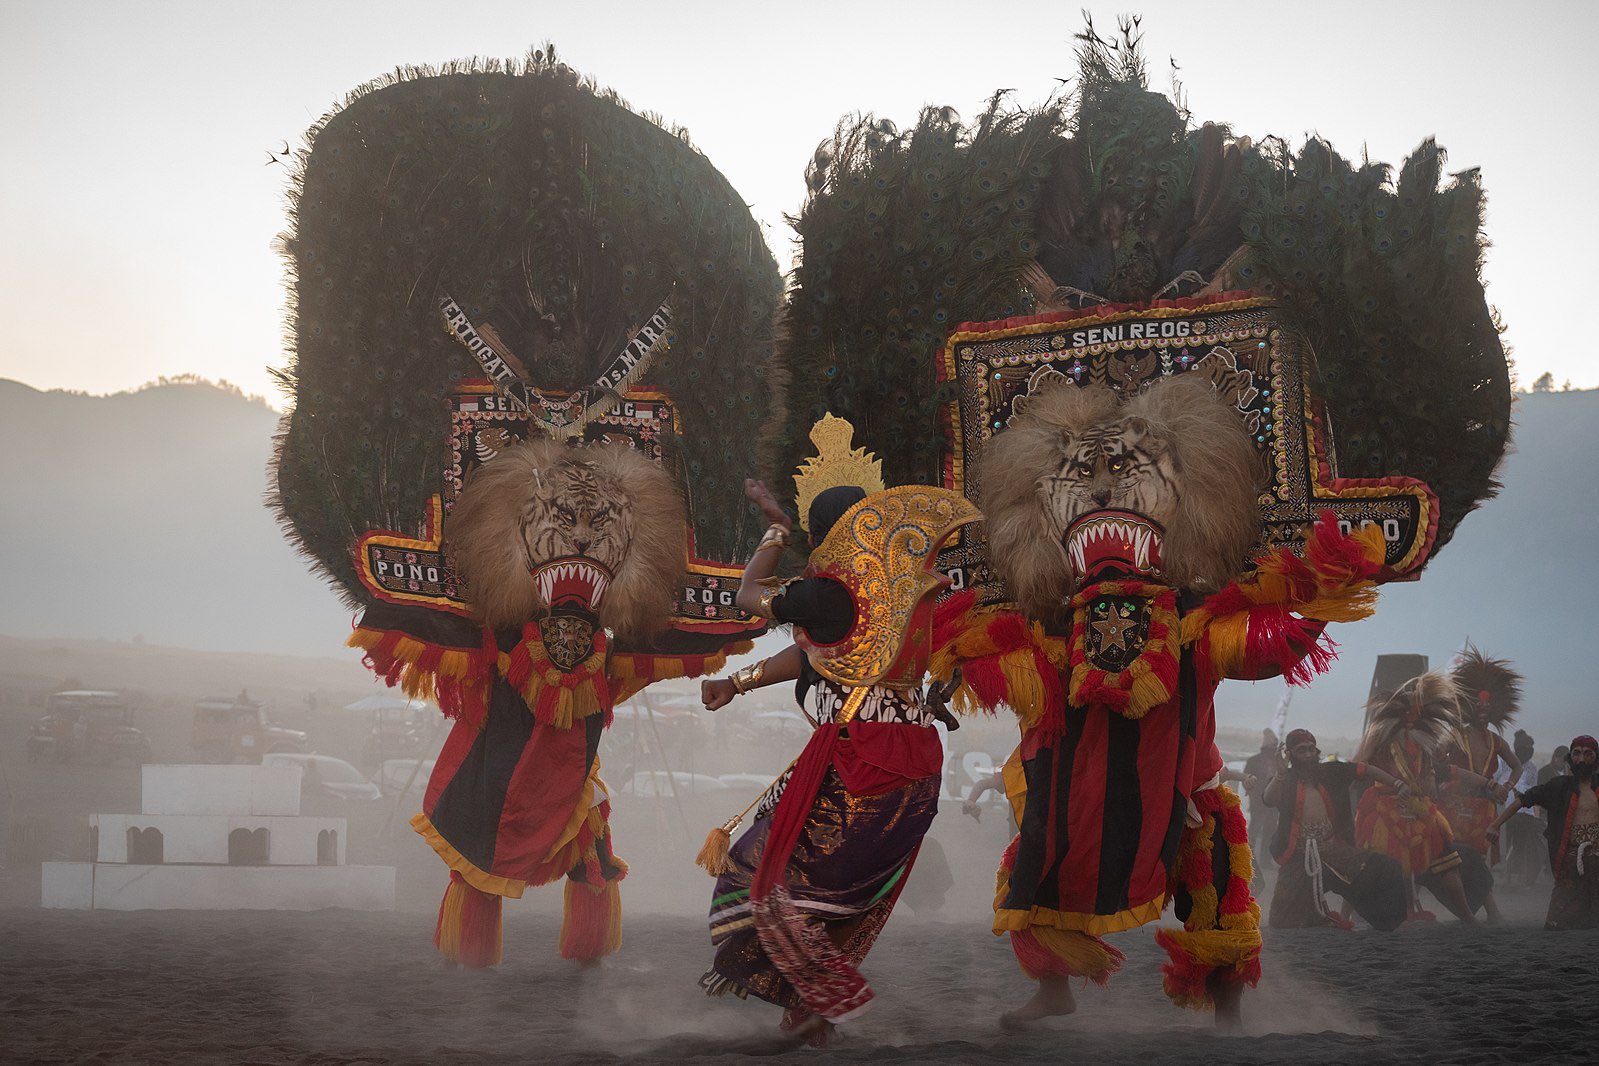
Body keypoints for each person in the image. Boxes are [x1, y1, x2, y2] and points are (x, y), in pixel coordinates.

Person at [698, 422, 978, 1042]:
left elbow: (748, 595)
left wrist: (776, 529)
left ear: (828, 538)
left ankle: (827, 998)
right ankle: (807, 1010)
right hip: (913, 772)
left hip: (860, 770)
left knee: (758, 878)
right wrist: (740, 682)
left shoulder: (828, 594)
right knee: (836, 900)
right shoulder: (912, 589)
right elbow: (821, 657)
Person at [1354, 672, 1501, 924]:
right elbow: (1360, 766)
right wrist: (1394, 782)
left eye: (1417, 713)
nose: (1412, 718)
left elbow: (1452, 772)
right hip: (1384, 811)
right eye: (1409, 713)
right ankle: (1352, 917)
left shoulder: (1425, 748)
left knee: (1449, 862)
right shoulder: (1380, 741)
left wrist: (1489, 783)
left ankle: (1467, 917)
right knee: (1368, 862)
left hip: (1422, 811)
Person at [1263, 729, 1409, 930]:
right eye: (1301, 750)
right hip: (1298, 855)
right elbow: (1268, 800)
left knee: (1385, 867)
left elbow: (1366, 769)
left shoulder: (1331, 771)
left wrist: (1397, 783)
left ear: (1316, 751)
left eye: (1311, 749)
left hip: (1334, 850)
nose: (1307, 754)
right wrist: (1280, 774)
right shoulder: (1285, 779)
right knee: (1280, 922)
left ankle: (1388, 921)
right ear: (1290, 754)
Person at [1438, 645, 1524, 921]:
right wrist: (1445, 778)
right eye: (1478, 705)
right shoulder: (1455, 735)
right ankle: (1476, 910)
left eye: (1488, 706)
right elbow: (1435, 761)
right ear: (1468, 706)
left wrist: (1507, 787)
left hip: (1484, 808)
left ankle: (1488, 910)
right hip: (1453, 804)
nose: (1483, 710)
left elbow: (1517, 766)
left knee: (1477, 859)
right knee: (1457, 859)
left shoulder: (1496, 741)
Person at [1487, 735, 1599, 929]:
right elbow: (1524, 799)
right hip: (1569, 861)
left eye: (1587, 754)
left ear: (1596, 758)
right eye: (1577, 753)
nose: (1581, 759)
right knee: (1556, 923)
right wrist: (1495, 825)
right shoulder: (1559, 787)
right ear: (1570, 758)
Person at [1243, 730, 1287, 885]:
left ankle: (1264, 860)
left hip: (1273, 803)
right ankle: (1246, 858)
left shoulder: (1278, 762)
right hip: (1258, 803)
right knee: (1254, 831)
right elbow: (1246, 779)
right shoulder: (1254, 761)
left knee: (1269, 831)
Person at [1502, 729, 1544, 888]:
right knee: (1503, 845)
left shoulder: (1532, 767)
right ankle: (1502, 875)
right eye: (1523, 749)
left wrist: (1535, 813)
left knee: (1519, 846)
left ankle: (1514, 877)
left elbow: (1533, 790)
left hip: (1525, 813)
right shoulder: (1505, 763)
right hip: (1506, 811)